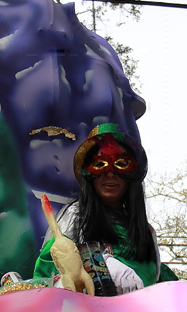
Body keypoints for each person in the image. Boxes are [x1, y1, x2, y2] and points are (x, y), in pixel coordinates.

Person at [33, 123, 177, 292]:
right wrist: (95, 269)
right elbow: (48, 274)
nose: (110, 173)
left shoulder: (146, 232)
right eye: (100, 164)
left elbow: (157, 281)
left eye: (121, 163)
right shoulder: (75, 217)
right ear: (88, 174)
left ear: (131, 175)